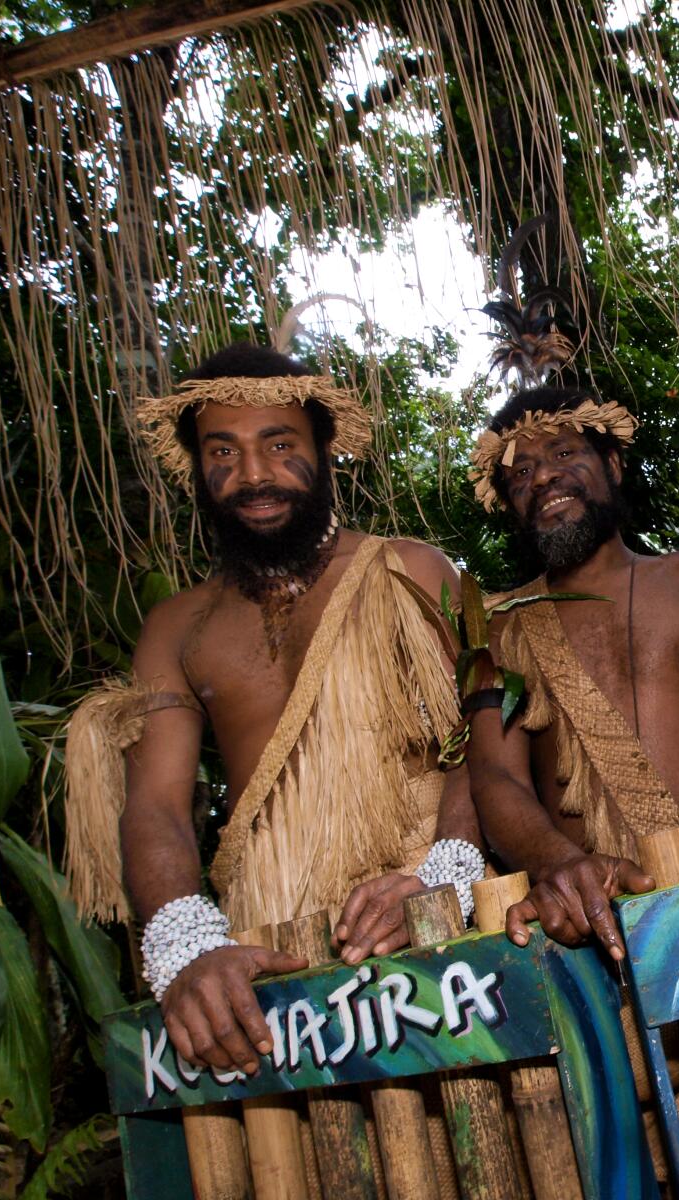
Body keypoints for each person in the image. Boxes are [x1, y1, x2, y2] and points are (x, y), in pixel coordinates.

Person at [65, 343, 483, 1077]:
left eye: (279, 444)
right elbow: (156, 805)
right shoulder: (177, 627)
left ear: (324, 451)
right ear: (196, 467)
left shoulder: (408, 571)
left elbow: (483, 739)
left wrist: (444, 876)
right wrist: (188, 946)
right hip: (273, 951)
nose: (252, 474)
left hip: (430, 926)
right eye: (222, 450)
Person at [463, 386, 679, 958]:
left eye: (562, 454)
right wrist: (557, 863)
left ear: (612, 463)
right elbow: (497, 779)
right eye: (520, 472)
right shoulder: (503, 630)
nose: (541, 478)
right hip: (599, 921)